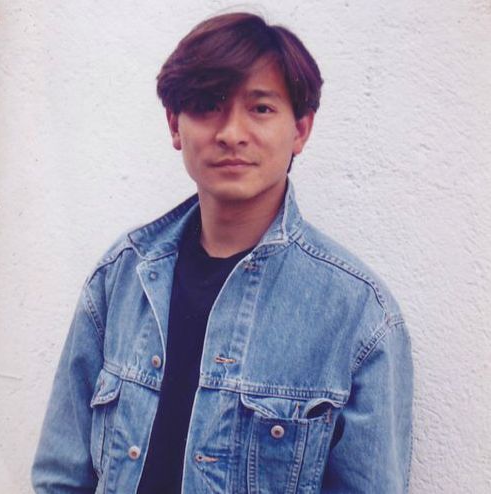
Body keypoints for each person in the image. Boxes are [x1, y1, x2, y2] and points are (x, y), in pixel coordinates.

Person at [31, 12, 413, 494]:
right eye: (208, 105)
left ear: (300, 129)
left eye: (261, 108)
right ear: (175, 125)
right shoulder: (121, 279)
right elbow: (61, 478)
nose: (232, 132)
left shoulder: (358, 315)